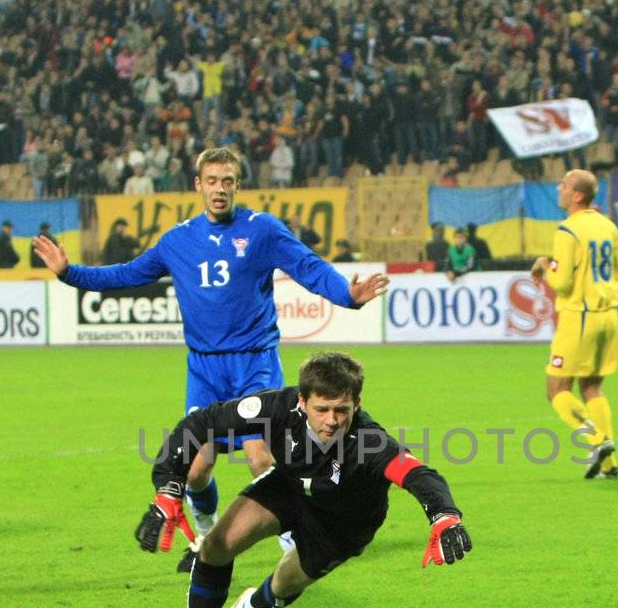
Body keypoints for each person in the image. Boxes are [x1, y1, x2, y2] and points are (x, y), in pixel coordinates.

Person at [33, 146, 390, 569]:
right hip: (204, 368)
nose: (220, 189)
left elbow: (309, 267)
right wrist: (70, 273)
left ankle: (293, 535)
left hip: (254, 361)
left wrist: (346, 296)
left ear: (238, 185)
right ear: (198, 185)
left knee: (260, 455)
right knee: (196, 469)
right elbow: (127, 274)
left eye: (228, 181)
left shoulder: (262, 231)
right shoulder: (178, 240)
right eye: (212, 181)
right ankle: (206, 531)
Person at [135, 352, 470, 608]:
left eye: (342, 409)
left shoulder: (370, 442)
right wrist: (168, 486)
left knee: (281, 586)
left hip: (341, 525)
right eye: (321, 409)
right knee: (216, 546)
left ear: (357, 402)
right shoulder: (278, 409)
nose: (332, 420)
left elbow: (417, 474)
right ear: (302, 401)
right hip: (289, 488)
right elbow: (202, 422)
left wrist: (443, 515)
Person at [529, 169, 618, 480]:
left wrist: (545, 265)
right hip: (608, 317)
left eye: (564, 185)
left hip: (580, 317)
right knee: (592, 387)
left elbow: (560, 282)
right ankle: (609, 464)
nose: (558, 188)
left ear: (577, 195)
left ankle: (596, 439)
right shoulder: (607, 226)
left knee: (556, 389)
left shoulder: (568, 230)